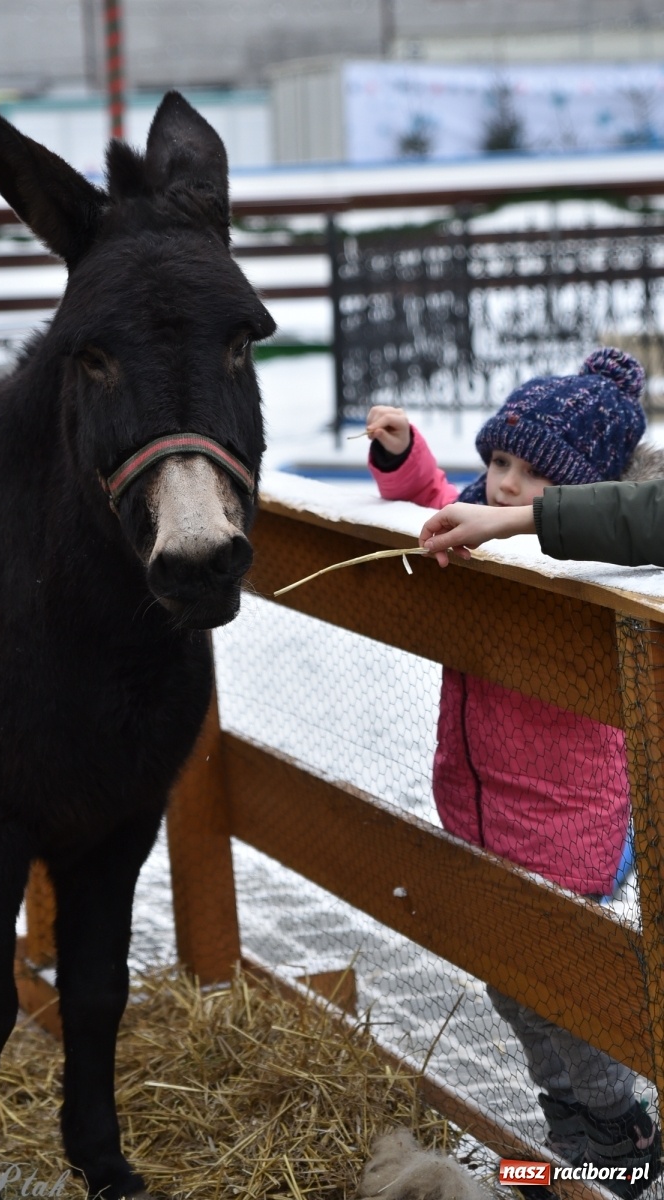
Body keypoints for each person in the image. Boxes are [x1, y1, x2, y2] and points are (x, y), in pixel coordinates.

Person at [367, 347, 662, 1196]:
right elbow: (433, 507)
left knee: (569, 983)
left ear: (588, 494)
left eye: (531, 476)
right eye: (499, 460)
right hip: (481, 797)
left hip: (572, 811)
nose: (502, 486)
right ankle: (566, 1126)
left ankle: (619, 1135)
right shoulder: (483, 518)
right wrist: (403, 456)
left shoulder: (593, 562)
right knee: (511, 978)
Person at [419, 478, 664, 568]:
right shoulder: (469, 506)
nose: (507, 483)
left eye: (534, 470)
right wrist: (399, 454)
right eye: (501, 462)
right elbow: (431, 494)